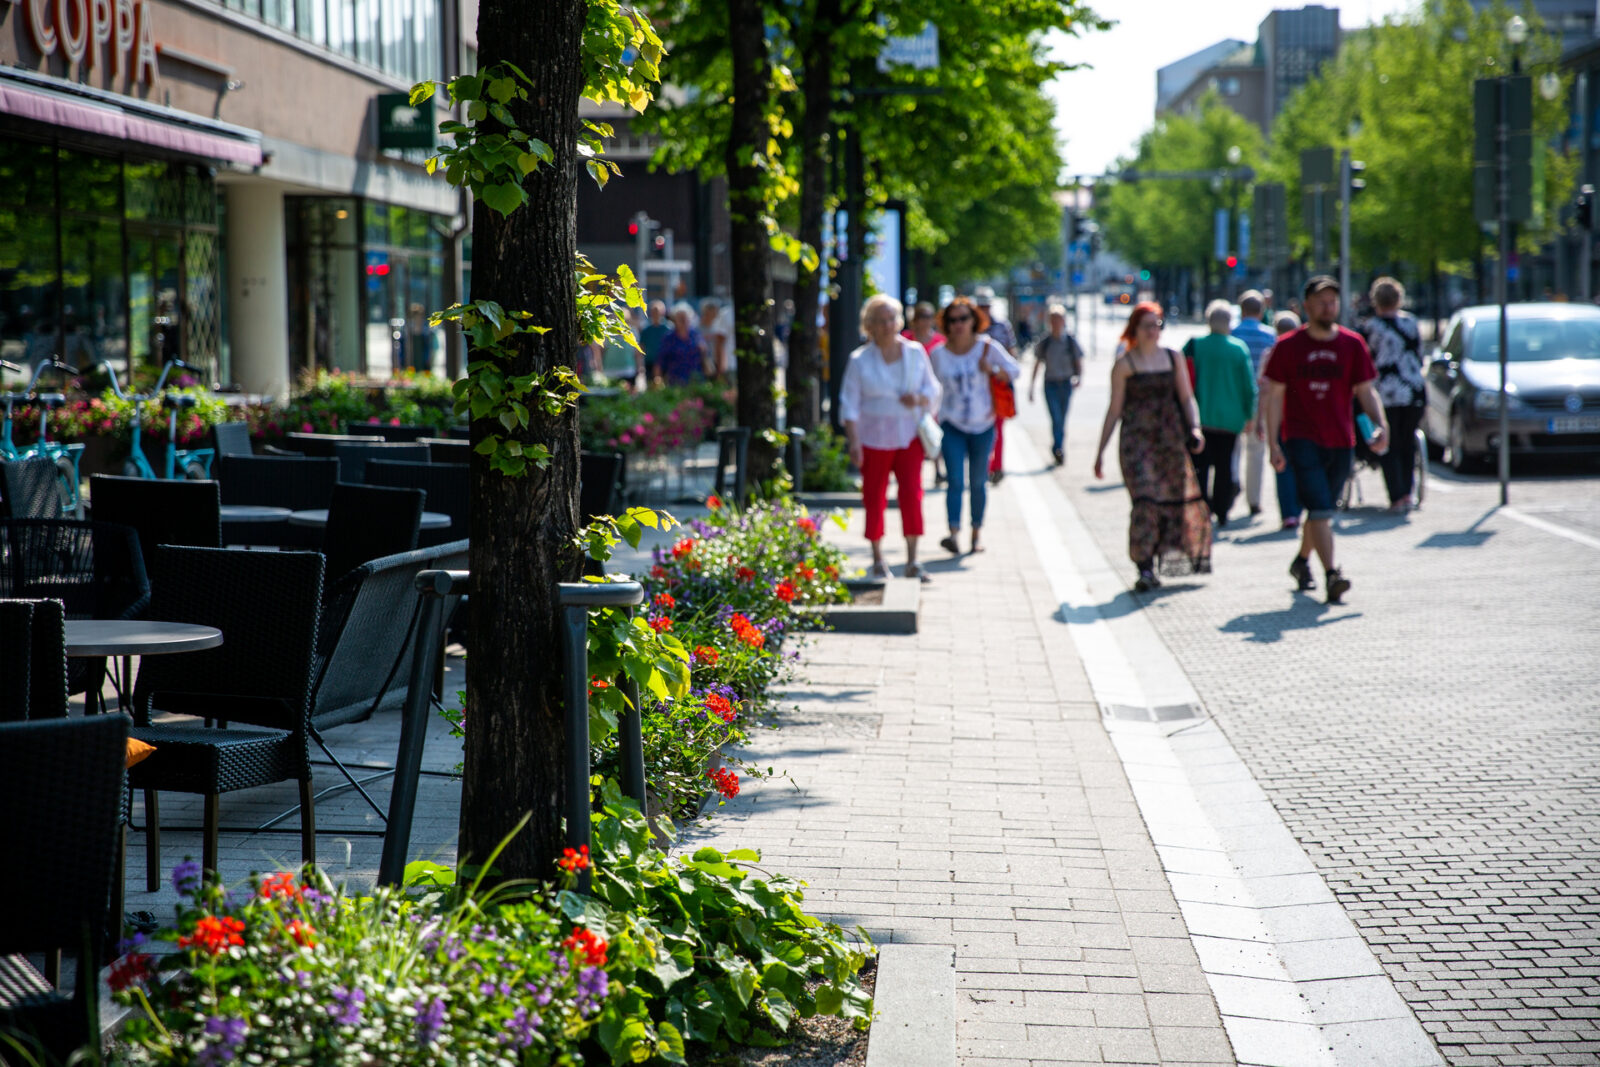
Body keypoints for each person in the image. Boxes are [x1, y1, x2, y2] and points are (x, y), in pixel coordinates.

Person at [1264, 276, 1389, 605]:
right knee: (1320, 509)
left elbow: (1365, 390)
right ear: (1306, 306)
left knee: (1321, 512)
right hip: (1301, 438)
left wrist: (1381, 424)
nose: (1327, 306)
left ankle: (1301, 561)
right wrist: (1274, 445)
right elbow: (1274, 396)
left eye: (1333, 301)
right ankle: (1332, 574)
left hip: (1341, 440)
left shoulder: (1351, 344)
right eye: (1321, 301)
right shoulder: (1288, 347)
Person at [1092, 302, 1212, 592]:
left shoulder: (1173, 358)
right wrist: (1100, 451)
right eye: (1147, 325)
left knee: (1168, 504)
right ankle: (1144, 566)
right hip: (1137, 444)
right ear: (1135, 329)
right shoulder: (1124, 365)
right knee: (1145, 502)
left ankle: (1157, 561)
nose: (1153, 331)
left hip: (1170, 443)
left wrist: (1194, 427)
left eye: (1157, 324)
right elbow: (1114, 410)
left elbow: (1186, 398)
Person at [839, 295, 942, 581]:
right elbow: (849, 404)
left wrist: (919, 398)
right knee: (874, 497)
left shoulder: (914, 352)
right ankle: (877, 558)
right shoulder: (859, 360)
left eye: (891, 319)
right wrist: (854, 441)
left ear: (899, 322)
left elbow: (933, 390)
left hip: (909, 435)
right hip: (873, 438)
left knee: (912, 494)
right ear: (869, 325)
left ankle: (912, 560)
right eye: (880, 321)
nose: (887, 326)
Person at [929, 296, 1019, 556]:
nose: (959, 324)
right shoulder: (938, 355)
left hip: (984, 424)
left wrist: (991, 369)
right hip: (952, 424)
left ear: (974, 320)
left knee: (978, 482)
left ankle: (976, 533)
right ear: (946, 324)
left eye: (964, 319)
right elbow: (930, 388)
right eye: (953, 320)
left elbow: (1014, 370)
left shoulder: (987, 347)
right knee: (955, 480)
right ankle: (954, 534)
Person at [1184, 300, 1257, 526]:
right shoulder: (1237, 349)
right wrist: (1250, 416)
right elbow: (1249, 387)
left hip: (1200, 417)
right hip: (1229, 419)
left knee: (1201, 467)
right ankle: (1223, 511)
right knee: (1224, 467)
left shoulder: (1195, 345)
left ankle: (1202, 508)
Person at [1359, 277, 1426, 513]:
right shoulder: (1411, 322)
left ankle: (1396, 495)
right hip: (1413, 391)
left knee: (1388, 443)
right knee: (1407, 442)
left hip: (1385, 393)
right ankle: (1407, 493)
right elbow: (1419, 356)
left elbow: (1366, 362)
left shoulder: (1370, 327)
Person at [1231, 290, 1277, 516]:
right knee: (1256, 451)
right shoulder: (1270, 336)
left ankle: (1230, 488)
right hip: (1261, 401)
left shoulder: (1231, 334)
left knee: (1233, 449)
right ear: (1262, 311)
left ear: (1241, 311)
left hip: (1235, 400)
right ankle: (1254, 500)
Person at [1028, 304, 1084, 466]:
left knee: (1062, 418)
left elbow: (1078, 361)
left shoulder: (1070, 341)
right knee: (1056, 418)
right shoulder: (1045, 342)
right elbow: (1037, 364)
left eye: (1059, 320)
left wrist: (1078, 377)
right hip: (1050, 384)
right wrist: (1031, 387)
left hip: (1065, 383)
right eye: (1053, 320)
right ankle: (1058, 448)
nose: (1056, 323)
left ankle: (1058, 446)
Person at [974, 287, 1017, 485]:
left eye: (986, 306)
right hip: (977, 386)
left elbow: (1011, 355)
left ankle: (997, 466)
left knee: (998, 428)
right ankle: (982, 466)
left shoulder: (1002, 326)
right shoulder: (970, 327)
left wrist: (996, 369)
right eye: (980, 306)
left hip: (997, 383)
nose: (984, 309)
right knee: (981, 427)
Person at [1269, 310, 1303, 529]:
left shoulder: (1271, 353)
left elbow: (1265, 393)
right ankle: (1297, 510)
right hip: (1294, 419)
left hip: (1287, 419)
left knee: (1284, 468)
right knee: (1294, 465)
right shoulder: (1303, 352)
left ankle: (1289, 513)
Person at [657, 303, 703, 386]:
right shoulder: (668, 338)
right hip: (675, 380)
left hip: (695, 379)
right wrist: (658, 379)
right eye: (680, 319)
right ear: (675, 320)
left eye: (685, 318)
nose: (683, 321)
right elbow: (660, 360)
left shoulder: (695, 335)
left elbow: (704, 353)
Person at [700, 299, 734, 380]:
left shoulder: (718, 325)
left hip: (717, 361)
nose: (714, 314)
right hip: (704, 361)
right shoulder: (698, 326)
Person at [638, 300, 670, 385]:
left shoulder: (669, 329)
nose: (656, 314)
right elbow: (641, 347)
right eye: (653, 312)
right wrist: (640, 365)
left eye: (657, 311)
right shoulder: (646, 330)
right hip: (650, 362)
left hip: (665, 363)